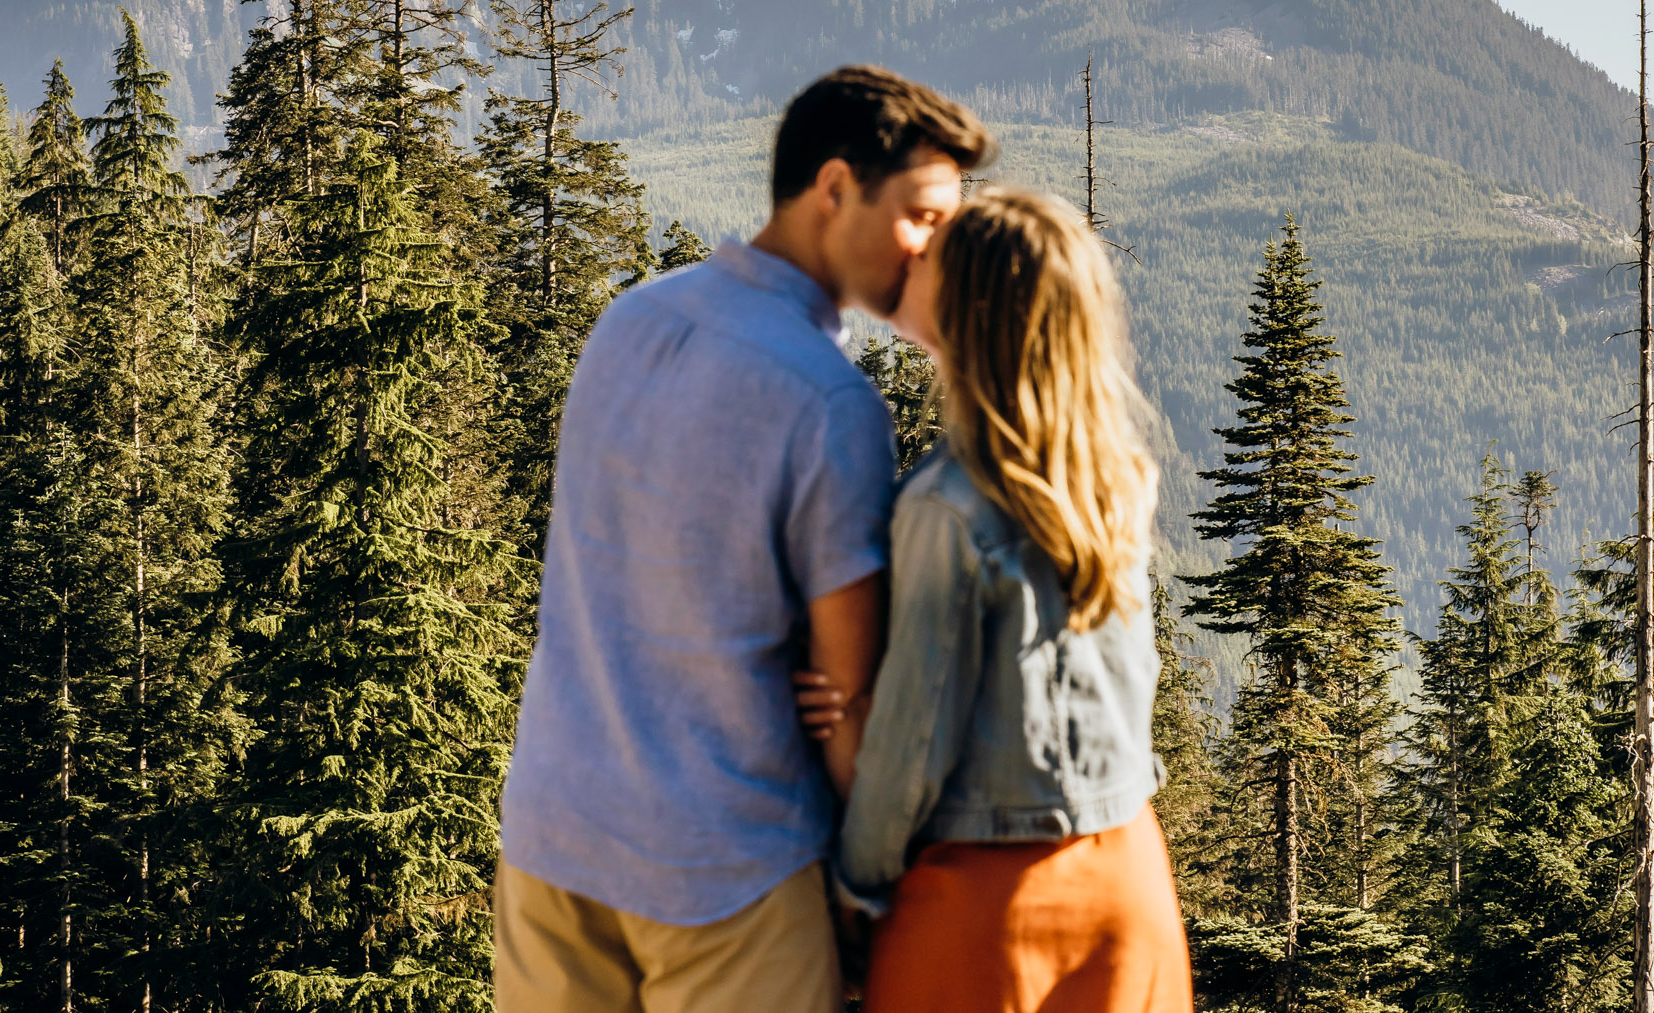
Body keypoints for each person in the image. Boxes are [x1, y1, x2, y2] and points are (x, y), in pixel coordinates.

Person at [493, 66, 994, 1013]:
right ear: (835, 187)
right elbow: (852, 702)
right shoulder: (828, 401)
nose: (933, 253)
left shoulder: (627, 321)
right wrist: (870, 900)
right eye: (923, 217)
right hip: (726, 876)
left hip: (555, 840)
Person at [803, 188, 1193, 1012]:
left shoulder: (949, 506)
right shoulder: (1113, 482)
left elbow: (911, 747)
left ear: (966, 312)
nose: (914, 264)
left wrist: (853, 889)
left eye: (934, 264)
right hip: (1131, 881)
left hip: (991, 909)